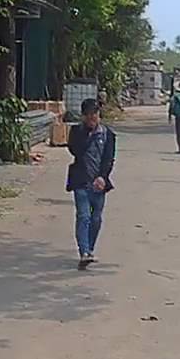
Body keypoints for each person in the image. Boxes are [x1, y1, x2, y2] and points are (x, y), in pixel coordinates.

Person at [66, 98, 115, 269]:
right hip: (81, 181)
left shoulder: (108, 134)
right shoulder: (76, 132)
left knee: (96, 219)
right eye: (88, 115)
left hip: (99, 184)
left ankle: (90, 248)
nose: (92, 117)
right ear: (83, 116)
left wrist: (103, 177)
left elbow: (109, 159)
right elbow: (75, 150)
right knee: (84, 216)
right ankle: (84, 252)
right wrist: (88, 134)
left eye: (94, 114)